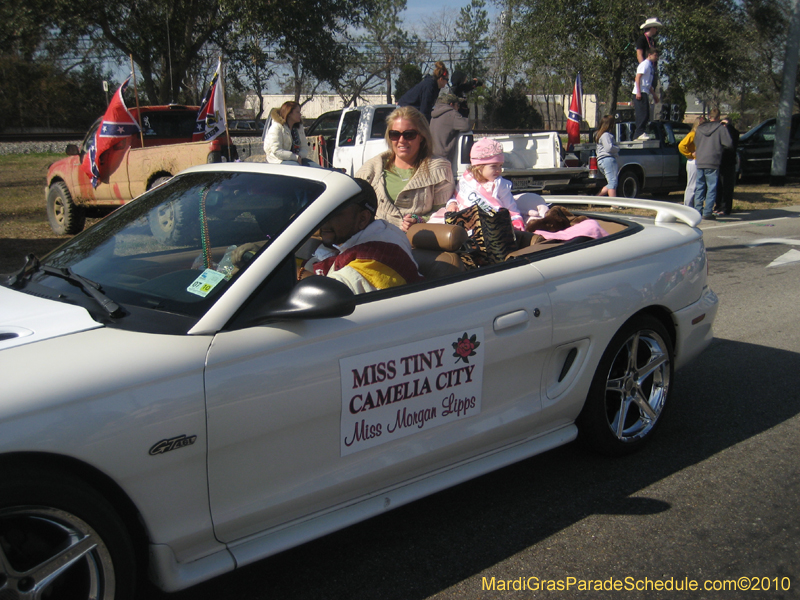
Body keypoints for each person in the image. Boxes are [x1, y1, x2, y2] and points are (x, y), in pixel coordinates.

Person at [355, 106, 454, 232]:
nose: (401, 140)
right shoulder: (370, 170)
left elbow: (444, 213)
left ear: (422, 136)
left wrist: (418, 220)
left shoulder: (440, 170)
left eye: (409, 135)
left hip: (418, 246)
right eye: (395, 134)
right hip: (374, 243)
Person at [438, 137, 526, 230]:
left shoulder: (501, 185)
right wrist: (452, 204)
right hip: (465, 223)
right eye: (494, 166)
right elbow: (457, 197)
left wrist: (516, 222)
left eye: (500, 165)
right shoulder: (466, 181)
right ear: (479, 167)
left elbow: (511, 209)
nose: (499, 170)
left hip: (491, 225)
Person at [694, 108, 733, 220]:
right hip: (713, 160)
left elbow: (696, 142)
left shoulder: (700, 128)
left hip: (700, 159)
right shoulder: (720, 128)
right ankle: (707, 212)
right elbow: (728, 144)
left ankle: (697, 210)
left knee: (700, 186)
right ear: (718, 117)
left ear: (709, 116)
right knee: (711, 187)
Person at [263, 101, 314, 165]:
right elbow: (277, 151)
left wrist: (299, 156)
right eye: (297, 112)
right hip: (278, 160)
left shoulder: (299, 128)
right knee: (297, 168)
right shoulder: (277, 127)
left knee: (316, 168)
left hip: (297, 158)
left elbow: (304, 147)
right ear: (289, 113)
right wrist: (295, 157)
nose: (300, 114)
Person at [430, 93, 471, 171]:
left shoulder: (434, 114)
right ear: (451, 104)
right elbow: (466, 126)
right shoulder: (452, 114)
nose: (458, 108)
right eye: (457, 105)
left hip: (432, 156)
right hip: (443, 159)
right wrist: (464, 117)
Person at [678, 116, 706, 207]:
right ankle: (688, 206)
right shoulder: (692, 134)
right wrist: (689, 154)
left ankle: (693, 205)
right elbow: (681, 145)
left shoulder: (700, 135)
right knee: (692, 185)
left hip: (699, 161)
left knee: (698, 185)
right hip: (693, 162)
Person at [632, 47, 659, 140]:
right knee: (642, 114)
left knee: (646, 113)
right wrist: (638, 92)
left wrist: (654, 95)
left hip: (645, 92)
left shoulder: (650, 67)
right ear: (649, 55)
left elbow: (648, 84)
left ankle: (641, 132)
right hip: (640, 92)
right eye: (655, 55)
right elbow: (638, 78)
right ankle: (639, 133)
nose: (656, 57)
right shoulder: (645, 64)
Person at [716, 116, 740, 216]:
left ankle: (726, 208)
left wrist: (728, 126)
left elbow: (734, 137)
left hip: (729, 163)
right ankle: (718, 206)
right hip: (719, 162)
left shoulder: (733, 133)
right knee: (718, 187)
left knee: (727, 187)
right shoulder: (719, 133)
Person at [594, 115, 620, 198]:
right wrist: (618, 148)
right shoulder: (606, 135)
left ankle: (596, 198)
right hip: (608, 159)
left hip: (602, 160)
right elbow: (609, 148)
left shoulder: (599, 135)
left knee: (611, 182)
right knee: (612, 182)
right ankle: (614, 204)